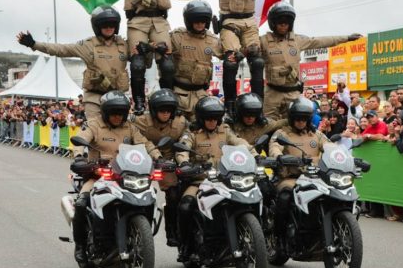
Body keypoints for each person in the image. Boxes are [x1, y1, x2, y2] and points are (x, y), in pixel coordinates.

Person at [169, 0, 311, 109]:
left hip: (250, 23)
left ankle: (257, 103)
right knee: (230, 61)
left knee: (257, 61)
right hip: (230, 23)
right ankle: (229, 105)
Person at [74, 0, 199, 112]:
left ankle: (169, 98)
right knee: (137, 63)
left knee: (167, 63)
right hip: (138, 22)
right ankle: (139, 101)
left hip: (159, 23)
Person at [71, 91, 162, 262]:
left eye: (120, 113)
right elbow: (80, 140)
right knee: (82, 203)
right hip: (98, 177)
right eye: (113, 113)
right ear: (105, 112)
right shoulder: (94, 125)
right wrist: (78, 157)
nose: (117, 117)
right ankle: (81, 246)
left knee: (148, 198)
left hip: (126, 177)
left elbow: (146, 144)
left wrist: (158, 157)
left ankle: (140, 238)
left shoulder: (130, 127)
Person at [175, 96, 255, 257]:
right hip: (200, 180)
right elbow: (182, 149)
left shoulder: (225, 130)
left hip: (226, 181)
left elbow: (239, 142)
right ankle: (187, 246)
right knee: (185, 206)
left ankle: (255, 238)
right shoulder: (192, 133)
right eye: (208, 118)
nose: (212, 121)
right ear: (201, 118)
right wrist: (184, 163)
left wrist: (254, 154)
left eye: (215, 118)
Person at [17, 6, 129, 122]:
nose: (109, 28)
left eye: (112, 25)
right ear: (97, 26)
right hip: (95, 98)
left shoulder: (124, 45)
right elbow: (62, 49)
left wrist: (146, 49)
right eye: (105, 25)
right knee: (96, 128)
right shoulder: (88, 45)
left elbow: (144, 59)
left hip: (117, 98)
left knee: (121, 130)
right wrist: (34, 44)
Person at [259, 2, 361, 120]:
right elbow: (245, 49)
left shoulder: (297, 40)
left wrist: (347, 38)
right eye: (280, 23)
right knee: (267, 125)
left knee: (296, 124)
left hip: (293, 93)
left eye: (286, 23)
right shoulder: (263, 41)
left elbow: (321, 41)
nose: (283, 26)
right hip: (272, 93)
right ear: (273, 23)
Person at [129, 89, 187, 245]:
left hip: (167, 162)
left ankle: (172, 232)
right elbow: (124, 124)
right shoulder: (140, 120)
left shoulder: (180, 122)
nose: (166, 114)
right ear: (154, 110)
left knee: (174, 195)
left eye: (169, 110)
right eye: (162, 110)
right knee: (135, 193)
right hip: (141, 160)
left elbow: (190, 133)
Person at [269, 97, 330, 231]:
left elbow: (330, 147)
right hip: (290, 178)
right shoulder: (282, 133)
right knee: (285, 198)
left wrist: (339, 154)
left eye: (304, 119)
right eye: (297, 118)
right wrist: (278, 156)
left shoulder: (316, 134)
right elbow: (274, 147)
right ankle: (279, 234)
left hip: (314, 177)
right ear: (292, 118)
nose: (301, 122)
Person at [166, 0, 223, 120]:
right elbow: (160, 45)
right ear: (189, 21)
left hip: (201, 95)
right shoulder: (178, 37)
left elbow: (229, 54)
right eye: (196, 21)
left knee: (202, 128)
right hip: (179, 94)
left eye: (203, 21)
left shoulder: (212, 40)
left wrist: (226, 30)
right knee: (176, 127)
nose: (200, 24)